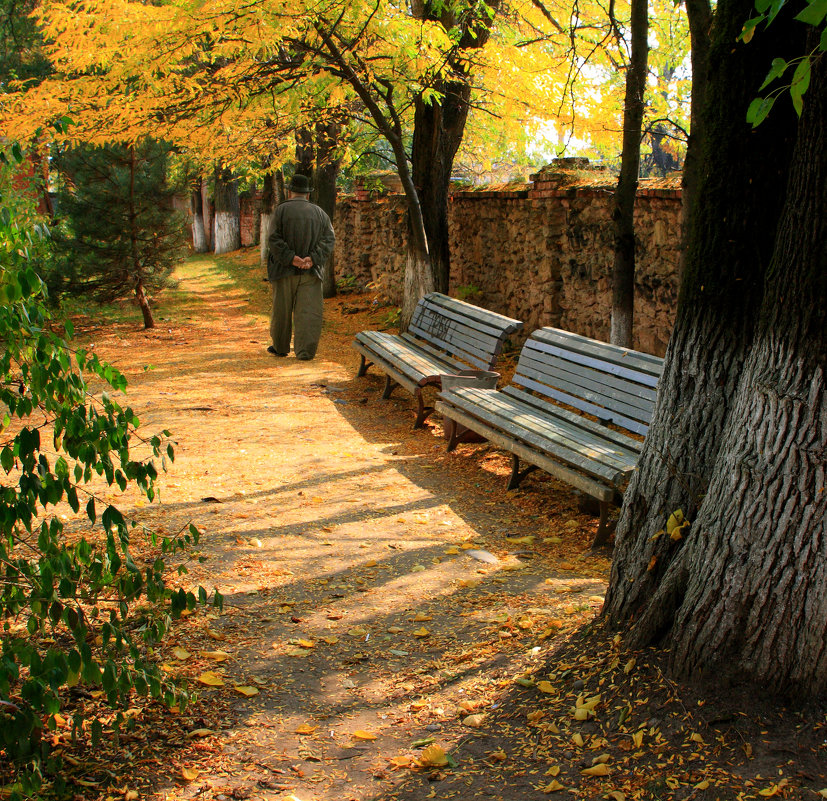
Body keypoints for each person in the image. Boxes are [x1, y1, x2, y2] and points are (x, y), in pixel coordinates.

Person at [266, 174, 335, 360]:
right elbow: (329, 240)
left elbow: (273, 239)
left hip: (283, 270)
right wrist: (312, 259)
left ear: (290, 191)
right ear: (308, 194)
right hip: (311, 272)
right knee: (309, 313)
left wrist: (291, 258)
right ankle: (305, 352)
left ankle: (280, 347)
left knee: (281, 310)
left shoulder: (280, 211)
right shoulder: (320, 214)